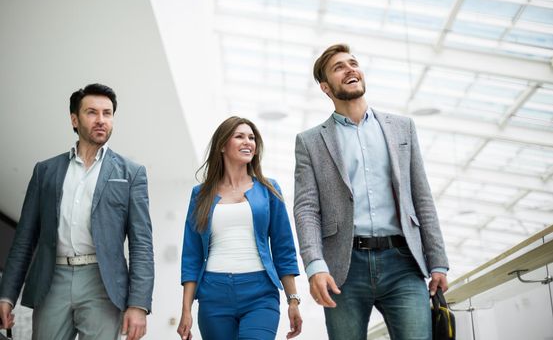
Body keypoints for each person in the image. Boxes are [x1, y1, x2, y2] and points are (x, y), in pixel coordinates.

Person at [293, 44, 450, 340]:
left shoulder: (402, 127)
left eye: (353, 63)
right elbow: (306, 209)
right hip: (344, 270)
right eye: (339, 67)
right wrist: (315, 266)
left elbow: (422, 196)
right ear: (326, 87)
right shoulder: (310, 141)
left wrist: (438, 261)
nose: (350, 69)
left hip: (404, 263)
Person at [0, 83, 154, 340]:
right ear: (74, 119)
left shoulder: (131, 173)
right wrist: (7, 295)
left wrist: (138, 304)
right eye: (92, 112)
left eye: (107, 113)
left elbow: (142, 244)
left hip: (103, 283)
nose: (101, 120)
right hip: (52, 280)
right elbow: (24, 239)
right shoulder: (45, 171)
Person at [177, 116, 302, 340]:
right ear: (223, 145)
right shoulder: (200, 194)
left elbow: (284, 248)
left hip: (260, 293)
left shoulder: (269, 189)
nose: (248, 142)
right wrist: (186, 310)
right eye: (240, 136)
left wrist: (293, 300)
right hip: (213, 294)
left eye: (252, 138)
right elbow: (191, 255)